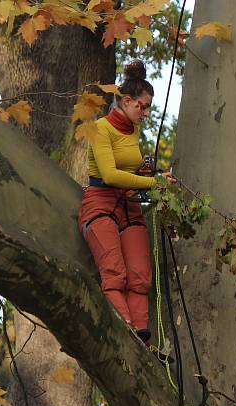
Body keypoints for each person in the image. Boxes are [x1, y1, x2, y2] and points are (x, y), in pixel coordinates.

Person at [78, 59, 172, 343]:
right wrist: (153, 183)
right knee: (114, 272)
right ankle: (123, 325)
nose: (145, 114)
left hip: (128, 206)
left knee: (140, 276)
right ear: (127, 101)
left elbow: (127, 170)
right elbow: (109, 174)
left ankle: (141, 333)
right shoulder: (101, 129)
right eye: (142, 107)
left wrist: (151, 174)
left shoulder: (133, 128)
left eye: (148, 109)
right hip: (101, 203)